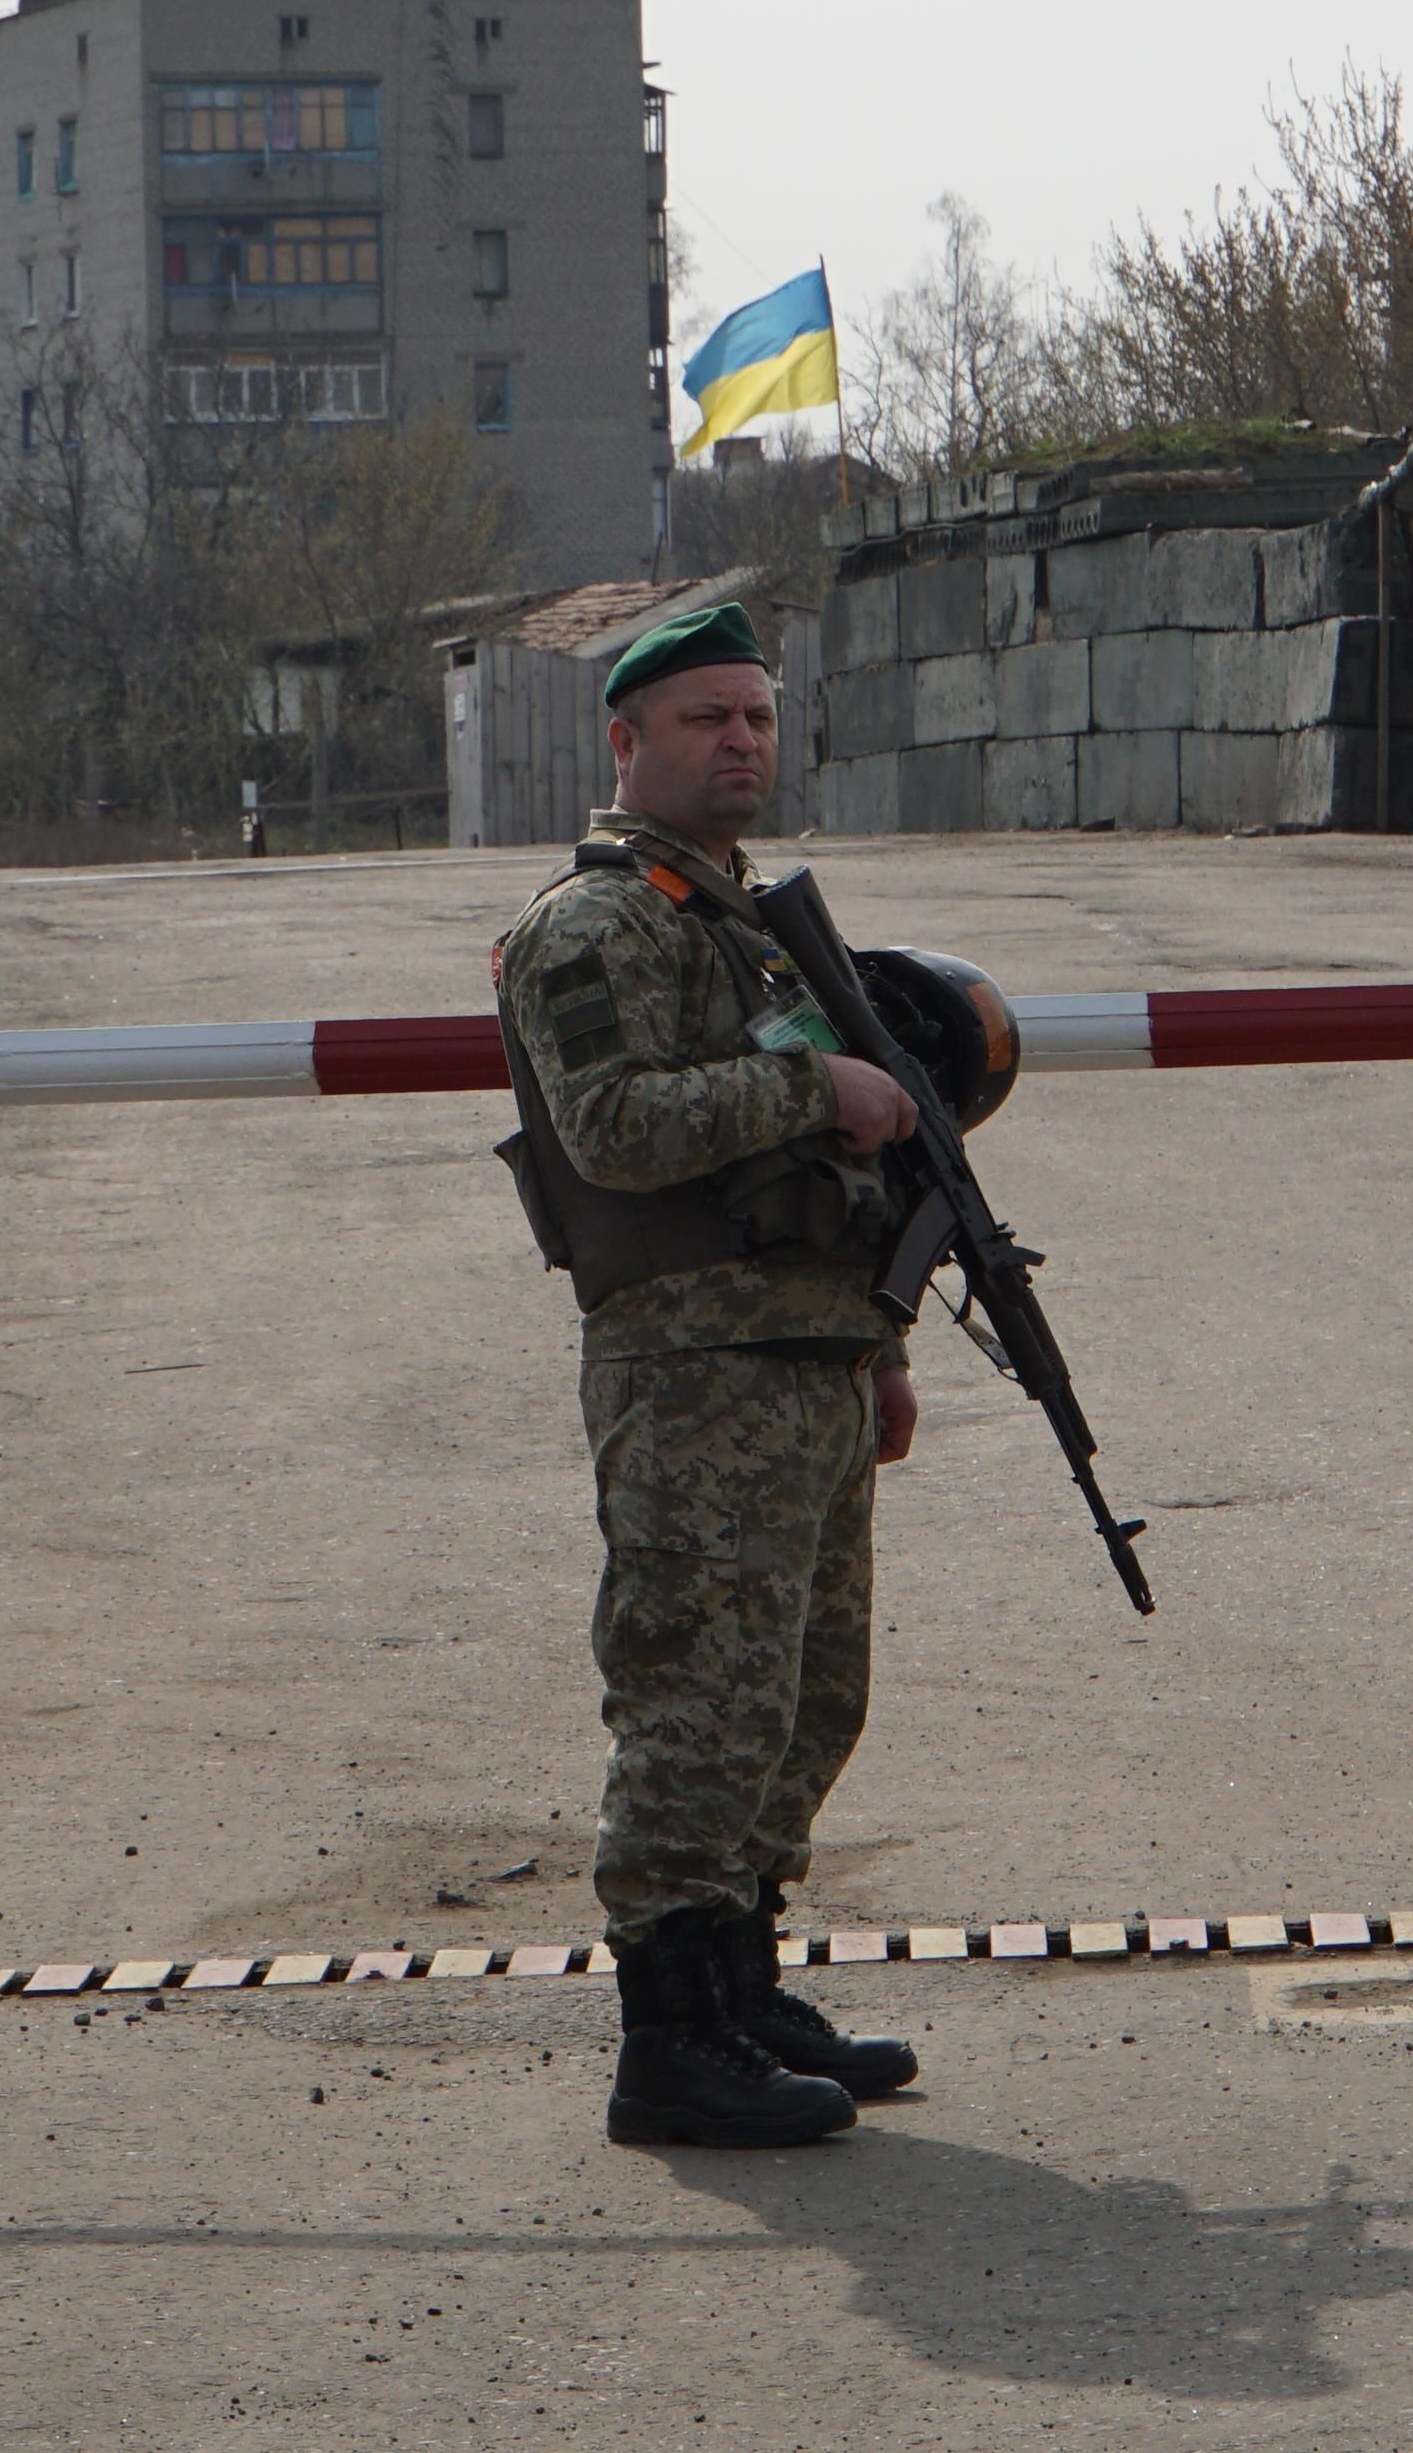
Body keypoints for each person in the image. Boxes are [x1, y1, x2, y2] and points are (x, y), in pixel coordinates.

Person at [488, 601, 930, 2148]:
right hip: (693, 1374)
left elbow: (834, 1169)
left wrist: (877, 1346)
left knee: (803, 1703)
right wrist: (813, 1085)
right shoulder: (595, 925)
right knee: (698, 1702)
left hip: (807, 1359)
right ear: (627, 744)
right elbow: (612, 1127)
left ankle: (743, 1991)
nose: (741, 740)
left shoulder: (744, 923)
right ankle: (671, 2045)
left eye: (756, 715)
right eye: (704, 719)